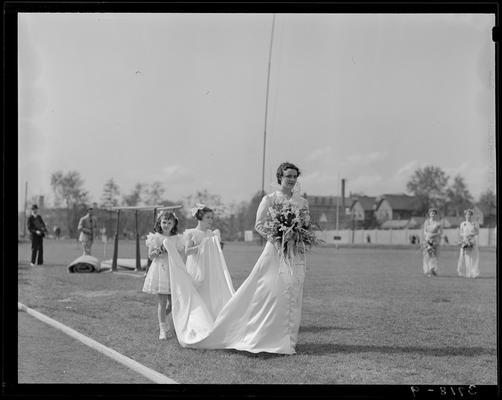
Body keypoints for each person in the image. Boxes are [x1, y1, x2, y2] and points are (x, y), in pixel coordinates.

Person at [165, 161, 312, 354]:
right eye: (288, 176)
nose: (292, 180)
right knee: (272, 290)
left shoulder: (302, 202)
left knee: (293, 290)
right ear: (280, 178)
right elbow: (259, 224)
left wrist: (299, 234)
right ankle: (263, 334)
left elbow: (307, 224)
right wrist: (278, 237)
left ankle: (289, 339)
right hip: (276, 250)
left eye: (295, 176)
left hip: (295, 253)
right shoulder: (270, 199)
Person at [183, 204, 234, 318]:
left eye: (212, 217)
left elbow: (217, 252)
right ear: (200, 218)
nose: (211, 220)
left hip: (210, 269)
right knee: (197, 294)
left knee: (210, 294)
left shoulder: (211, 233)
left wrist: (218, 243)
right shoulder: (192, 233)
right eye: (208, 217)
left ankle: (210, 317)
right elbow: (187, 251)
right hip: (197, 269)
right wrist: (202, 245)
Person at [142, 211, 185, 340]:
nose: (166, 225)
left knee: (174, 303)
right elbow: (150, 256)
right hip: (160, 270)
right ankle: (162, 329)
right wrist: (160, 250)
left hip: (173, 271)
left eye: (169, 222)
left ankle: (170, 324)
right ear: (159, 223)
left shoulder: (177, 238)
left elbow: (180, 254)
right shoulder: (155, 237)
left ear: (174, 224)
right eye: (164, 222)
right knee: (162, 301)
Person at [457, 209, 480, 278]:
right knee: (465, 257)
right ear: (465, 216)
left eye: (469, 214)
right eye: (467, 214)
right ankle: (466, 272)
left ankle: (474, 273)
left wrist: (471, 234)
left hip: (472, 241)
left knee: (473, 257)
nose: (468, 216)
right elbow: (461, 233)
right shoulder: (462, 224)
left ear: (471, 215)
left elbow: (477, 232)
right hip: (465, 241)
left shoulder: (475, 223)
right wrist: (465, 237)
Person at [422, 208, 442, 277]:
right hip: (427, 240)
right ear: (429, 214)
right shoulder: (426, 222)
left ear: (435, 214)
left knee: (434, 255)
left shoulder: (438, 223)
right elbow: (424, 231)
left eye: (434, 213)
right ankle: (427, 270)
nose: (432, 214)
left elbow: (440, 233)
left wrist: (433, 235)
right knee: (427, 255)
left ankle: (433, 269)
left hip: (435, 241)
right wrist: (427, 236)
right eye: (431, 213)